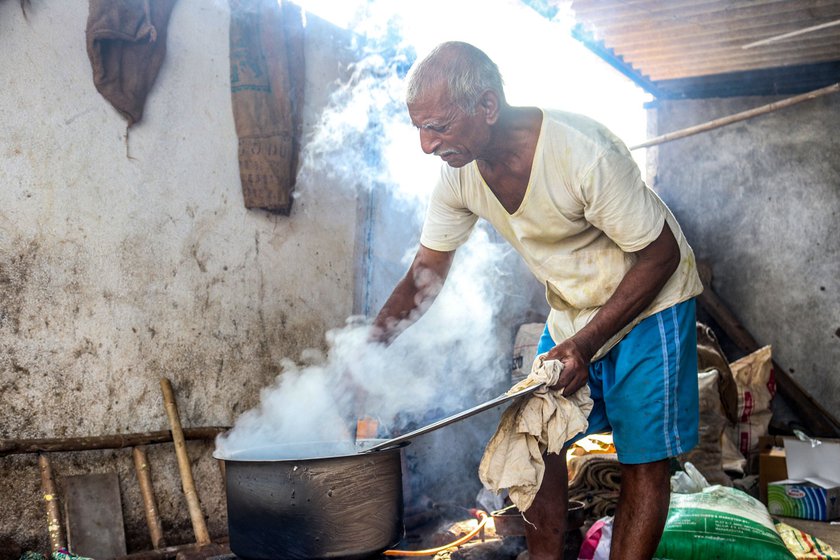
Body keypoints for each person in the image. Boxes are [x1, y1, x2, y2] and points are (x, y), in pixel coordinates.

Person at [370, 41, 702, 560]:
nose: (425, 145)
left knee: (644, 459)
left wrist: (585, 344)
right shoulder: (459, 172)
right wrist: (369, 347)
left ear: (486, 106)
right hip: (573, 311)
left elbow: (660, 255)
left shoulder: (581, 152)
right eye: (419, 127)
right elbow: (426, 272)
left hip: (650, 300)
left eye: (437, 126)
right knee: (537, 441)